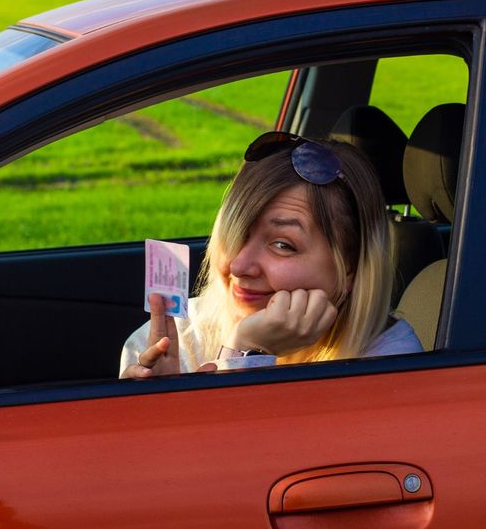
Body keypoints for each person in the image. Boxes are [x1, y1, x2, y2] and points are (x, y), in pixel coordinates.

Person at [120, 132, 422, 378]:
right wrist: (152, 407)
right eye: (237, 233)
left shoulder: (389, 367)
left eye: (282, 245)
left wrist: (247, 352)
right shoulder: (178, 339)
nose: (239, 265)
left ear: (352, 271)